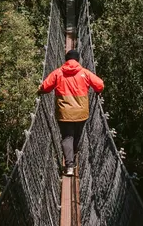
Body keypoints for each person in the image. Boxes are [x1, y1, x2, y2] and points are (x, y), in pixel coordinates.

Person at [38, 48, 104, 176]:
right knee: (77, 136)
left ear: (66, 60)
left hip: (64, 113)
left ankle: (69, 165)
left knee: (67, 137)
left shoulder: (58, 73)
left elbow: (46, 87)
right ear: (78, 60)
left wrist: (40, 90)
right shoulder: (84, 73)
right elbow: (100, 84)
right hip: (81, 113)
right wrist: (96, 90)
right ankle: (72, 157)